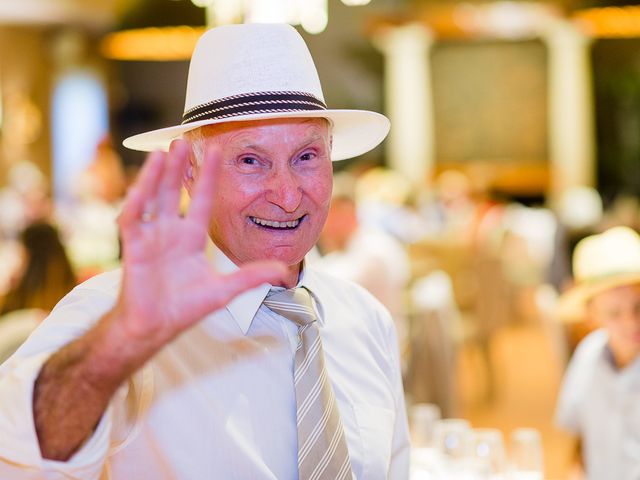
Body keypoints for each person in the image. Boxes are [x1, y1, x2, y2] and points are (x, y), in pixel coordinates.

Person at [0, 24, 410, 479]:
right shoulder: (116, 314)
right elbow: (16, 452)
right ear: (190, 173)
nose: (288, 195)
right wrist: (114, 347)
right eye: (250, 160)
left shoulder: (367, 320)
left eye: (307, 157)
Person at [554, 226, 640, 480]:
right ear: (591, 316)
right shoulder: (588, 355)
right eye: (614, 313)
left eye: (638, 307)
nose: (631, 322)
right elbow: (580, 441)